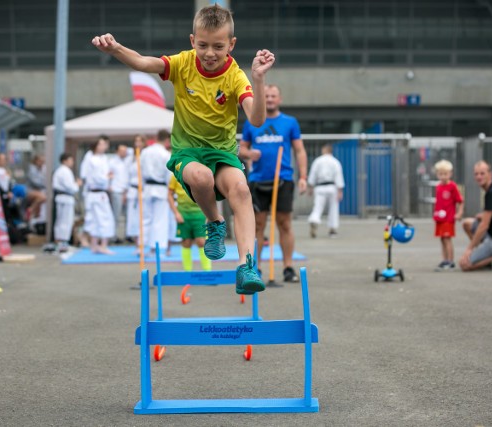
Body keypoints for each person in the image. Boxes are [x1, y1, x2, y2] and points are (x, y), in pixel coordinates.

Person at [92, 4, 275, 294]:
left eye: (218, 46)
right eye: (203, 45)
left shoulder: (236, 76)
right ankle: (214, 220)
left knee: (240, 190)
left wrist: (259, 79)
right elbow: (142, 62)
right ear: (193, 41)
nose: (210, 53)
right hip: (187, 151)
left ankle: (246, 266)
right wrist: (115, 48)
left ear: (231, 44)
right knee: (201, 177)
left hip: (223, 152)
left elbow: (257, 119)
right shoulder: (182, 63)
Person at [239, 84, 307, 283]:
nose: (269, 99)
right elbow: (242, 149)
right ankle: (256, 268)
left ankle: (287, 267)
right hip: (258, 181)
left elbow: (300, 150)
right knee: (257, 225)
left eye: (273, 96)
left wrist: (303, 177)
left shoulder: (290, 122)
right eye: (266, 96)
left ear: (279, 99)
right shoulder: (252, 122)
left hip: (283, 179)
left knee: (284, 223)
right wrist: (249, 154)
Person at [168, 174, 212, 271]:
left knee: (201, 241)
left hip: (200, 213)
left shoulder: (200, 173)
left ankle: (207, 272)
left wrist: (209, 213)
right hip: (183, 213)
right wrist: (176, 213)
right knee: (186, 242)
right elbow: (169, 194)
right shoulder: (175, 175)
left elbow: (210, 193)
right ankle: (187, 272)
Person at [139, 129, 172, 254]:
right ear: (167, 140)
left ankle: (141, 247)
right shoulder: (165, 154)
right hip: (161, 188)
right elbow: (169, 175)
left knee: (145, 218)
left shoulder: (145, 152)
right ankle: (155, 249)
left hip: (147, 188)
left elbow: (140, 171)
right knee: (159, 219)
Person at [82, 135, 116, 254]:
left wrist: (108, 178)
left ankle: (100, 245)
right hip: (95, 192)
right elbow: (96, 177)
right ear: (96, 146)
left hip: (100, 192)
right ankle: (97, 245)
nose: (103, 146)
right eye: (101, 144)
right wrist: (107, 177)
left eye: (104, 144)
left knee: (100, 219)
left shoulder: (103, 158)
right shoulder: (91, 158)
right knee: (98, 219)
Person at [307, 144, 345, 239]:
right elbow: (338, 176)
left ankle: (314, 220)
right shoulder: (335, 162)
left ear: (325, 150)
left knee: (317, 207)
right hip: (332, 187)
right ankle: (332, 229)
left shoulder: (317, 161)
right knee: (333, 208)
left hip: (320, 187)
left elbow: (313, 174)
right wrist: (340, 190)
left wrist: (310, 187)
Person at [432, 159, 464, 271]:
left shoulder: (452, 187)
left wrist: (459, 213)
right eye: (440, 174)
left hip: (448, 218)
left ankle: (450, 261)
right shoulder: (438, 187)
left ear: (450, 174)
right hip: (439, 218)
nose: (443, 176)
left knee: (447, 239)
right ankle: (445, 259)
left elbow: (460, 200)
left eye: (445, 174)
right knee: (442, 239)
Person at [52, 153, 82, 252]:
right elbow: (71, 187)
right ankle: (63, 244)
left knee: (60, 221)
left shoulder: (59, 171)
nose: (72, 162)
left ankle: (60, 243)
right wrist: (77, 184)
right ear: (64, 160)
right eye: (71, 160)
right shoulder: (65, 171)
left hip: (61, 197)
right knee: (66, 221)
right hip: (65, 198)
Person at [125, 134, 146, 244]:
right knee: (133, 218)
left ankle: (142, 242)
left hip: (144, 190)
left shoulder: (146, 156)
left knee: (144, 217)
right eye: (136, 141)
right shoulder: (131, 158)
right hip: (133, 190)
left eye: (140, 141)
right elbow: (126, 175)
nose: (137, 143)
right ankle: (137, 242)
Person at [108, 144, 130, 244]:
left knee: (127, 216)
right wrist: (110, 188)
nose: (124, 153)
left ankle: (127, 235)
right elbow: (108, 175)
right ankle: (113, 236)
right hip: (116, 191)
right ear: (117, 151)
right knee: (116, 215)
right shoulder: (112, 162)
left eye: (125, 151)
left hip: (126, 191)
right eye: (122, 151)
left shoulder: (127, 161)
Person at [25, 154, 47, 222]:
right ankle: (31, 209)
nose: (42, 163)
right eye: (41, 161)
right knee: (43, 197)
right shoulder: (32, 169)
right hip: (30, 191)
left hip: (38, 191)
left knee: (38, 210)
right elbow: (35, 182)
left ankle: (33, 220)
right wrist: (45, 184)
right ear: (36, 161)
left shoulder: (40, 169)